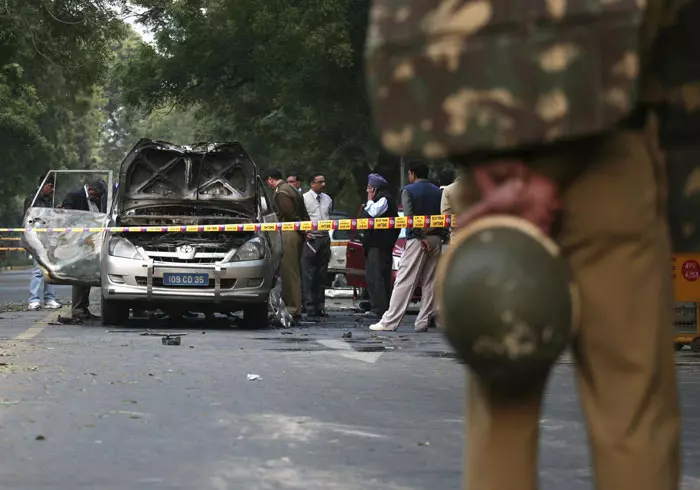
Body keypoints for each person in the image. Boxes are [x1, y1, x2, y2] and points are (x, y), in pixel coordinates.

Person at [364, 2, 682, 489]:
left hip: (484, 149)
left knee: (501, 399)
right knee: (631, 406)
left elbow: (412, 23)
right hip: (610, 152)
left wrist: (489, 161)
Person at [369, 164, 444, 332]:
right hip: (436, 238)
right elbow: (442, 216)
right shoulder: (438, 192)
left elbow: (410, 218)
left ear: (412, 173)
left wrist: (419, 236)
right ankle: (423, 321)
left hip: (417, 241)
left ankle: (390, 321)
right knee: (431, 281)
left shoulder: (408, 190)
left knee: (405, 280)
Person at [263, 169, 310, 322]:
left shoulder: (281, 193)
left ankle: (293, 308)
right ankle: (295, 305)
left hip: (289, 232)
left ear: (270, 179)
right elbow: (303, 213)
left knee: (290, 273)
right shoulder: (292, 189)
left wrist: (301, 230)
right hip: (295, 232)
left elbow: (290, 215)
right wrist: (305, 230)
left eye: (267, 182)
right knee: (294, 271)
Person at [62, 179, 108, 320]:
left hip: (92, 243)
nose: (99, 198)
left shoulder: (96, 200)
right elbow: (67, 217)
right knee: (79, 276)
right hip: (78, 242)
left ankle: (83, 307)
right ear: (91, 190)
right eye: (98, 195)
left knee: (88, 276)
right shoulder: (74, 196)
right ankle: (77, 309)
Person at [358, 173, 399, 318]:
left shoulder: (384, 199)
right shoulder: (381, 198)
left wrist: (369, 201)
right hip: (375, 244)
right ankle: (379, 306)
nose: (367, 191)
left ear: (375, 189)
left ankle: (379, 309)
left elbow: (374, 213)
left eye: (369, 188)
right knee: (375, 275)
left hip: (379, 244)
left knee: (377, 276)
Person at [23, 172, 61, 311]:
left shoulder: (50, 200)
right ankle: (33, 300)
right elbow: (29, 219)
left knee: (49, 269)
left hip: (49, 239)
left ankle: (50, 299)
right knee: (38, 270)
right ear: (44, 185)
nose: (52, 190)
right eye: (50, 187)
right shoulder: (32, 200)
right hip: (36, 238)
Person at [302, 174, 333, 318]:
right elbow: (301, 217)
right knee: (309, 274)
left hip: (324, 238)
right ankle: (309, 306)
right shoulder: (304, 199)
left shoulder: (327, 199)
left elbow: (328, 215)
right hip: (311, 239)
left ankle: (320, 306)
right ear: (312, 184)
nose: (323, 184)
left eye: (324, 181)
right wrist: (305, 233)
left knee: (322, 274)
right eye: (320, 182)